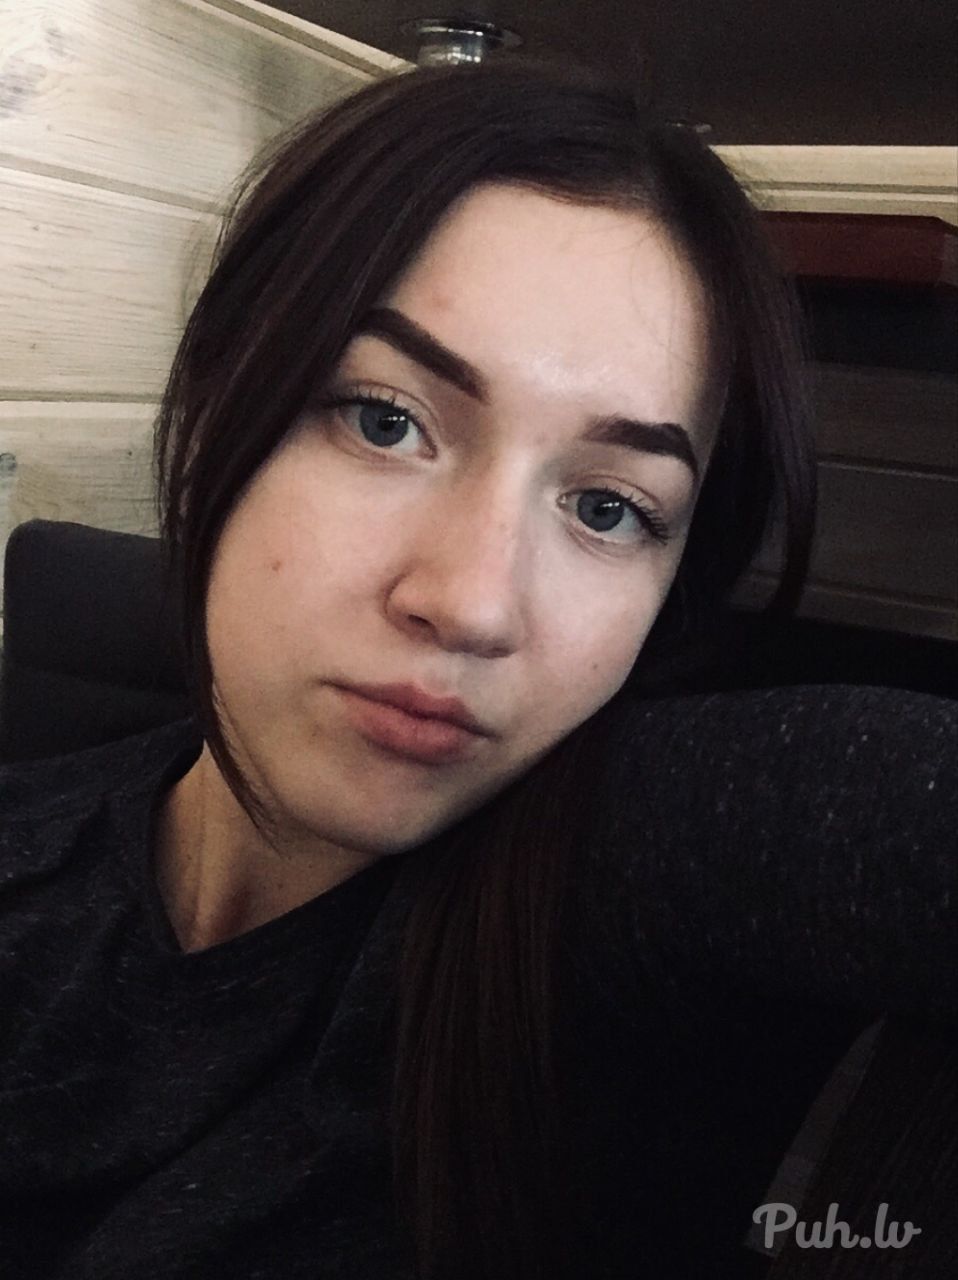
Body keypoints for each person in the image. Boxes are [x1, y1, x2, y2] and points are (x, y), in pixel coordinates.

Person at [0, 58, 954, 1280]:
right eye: (385, 419)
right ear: (216, 397)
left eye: (608, 508)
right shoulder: (29, 851)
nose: (473, 602)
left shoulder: (627, 884)